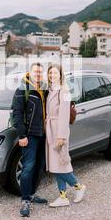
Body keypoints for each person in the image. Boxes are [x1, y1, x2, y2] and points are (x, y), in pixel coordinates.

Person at [11, 62, 49, 217]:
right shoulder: (22, 90)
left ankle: (32, 194)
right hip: (30, 136)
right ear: (30, 72)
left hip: (43, 134)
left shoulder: (45, 89)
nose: (38, 74)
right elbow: (17, 114)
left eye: (40, 72)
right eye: (36, 72)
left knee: (40, 166)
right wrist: (22, 136)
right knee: (28, 167)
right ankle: (25, 200)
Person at [45, 64, 86, 207]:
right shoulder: (51, 90)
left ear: (60, 74)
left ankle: (79, 187)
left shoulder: (65, 90)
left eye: (55, 73)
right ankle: (62, 196)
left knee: (62, 163)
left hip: (59, 131)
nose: (52, 75)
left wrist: (61, 136)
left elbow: (64, 115)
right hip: (51, 129)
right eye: (50, 73)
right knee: (56, 165)